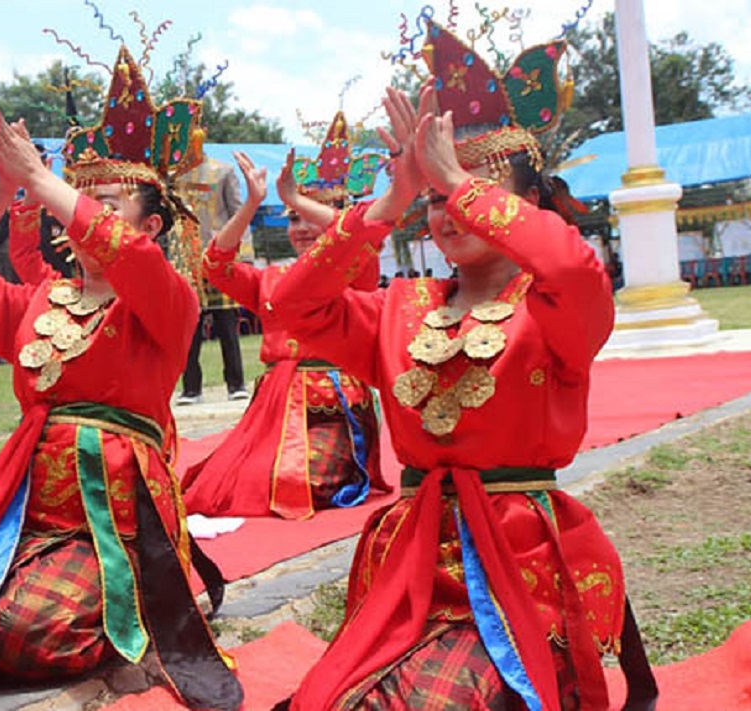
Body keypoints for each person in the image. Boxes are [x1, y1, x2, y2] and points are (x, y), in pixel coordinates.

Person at [271, 21, 655, 711]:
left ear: (527, 203)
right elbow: (290, 309)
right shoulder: (398, 307)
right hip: (411, 557)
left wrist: (451, 174)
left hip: (519, 560)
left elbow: (570, 259)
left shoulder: (556, 306)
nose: (450, 210)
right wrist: (390, 201)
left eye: (472, 189)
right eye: (436, 200)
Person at [0, 46, 242, 711]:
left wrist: (45, 181)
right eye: (81, 200)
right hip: (34, 521)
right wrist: (1, 191)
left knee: (29, 629)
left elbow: (124, 254)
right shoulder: (36, 301)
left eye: (106, 202)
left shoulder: (164, 300)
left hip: (119, 526)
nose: (83, 215)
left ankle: (133, 612)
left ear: (151, 224)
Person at [181, 114, 392, 520]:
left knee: (299, 483)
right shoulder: (271, 279)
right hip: (275, 409)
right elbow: (215, 265)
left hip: (333, 411)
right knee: (221, 484)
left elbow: (359, 231)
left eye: (313, 217)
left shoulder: (358, 269)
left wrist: (300, 201)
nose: (302, 228)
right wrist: (251, 204)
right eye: (293, 218)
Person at [174, 155, 250, 405]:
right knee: (188, 327)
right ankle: (191, 389)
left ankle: (236, 384)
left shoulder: (224, 171)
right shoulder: (173, 177)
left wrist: (244, 255)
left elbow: (239, 213)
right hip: (186, 259)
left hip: (219, 256)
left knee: (227, 324)